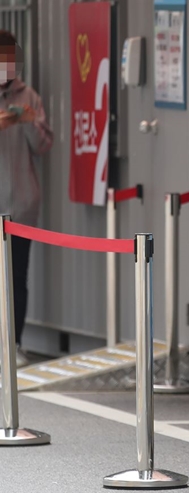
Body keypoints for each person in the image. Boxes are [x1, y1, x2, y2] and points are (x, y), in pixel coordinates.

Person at [0, 30, 53, 368]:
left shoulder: (28, 95)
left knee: (17, 275)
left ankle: (15, 344)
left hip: (21, 204)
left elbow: (44, 146)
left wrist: (31, 123)